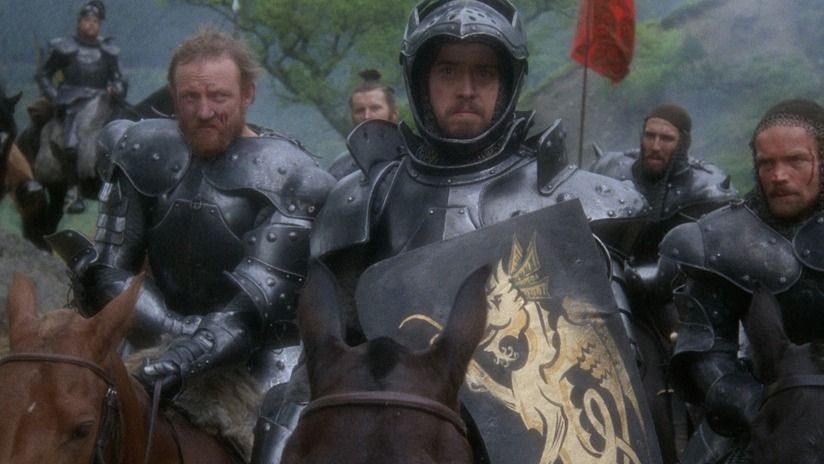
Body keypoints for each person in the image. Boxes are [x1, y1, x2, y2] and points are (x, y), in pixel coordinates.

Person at [253, 1, 660, 462]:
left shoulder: (567, 198)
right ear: (420, 79)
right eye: (448, 71)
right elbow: (319, 365)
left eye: (484, 73)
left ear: (508, 82)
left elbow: (611, 367)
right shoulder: (366, 199)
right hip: (393, 435)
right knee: (279, 408)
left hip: (531, 429)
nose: (466, 90)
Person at [47, 28, 335, 425]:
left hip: (260, 363)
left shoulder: (292, 177)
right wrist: (175, 333)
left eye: (219, 96)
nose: (204, 112)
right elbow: (110, 270)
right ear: (173, 95)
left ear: (247, 94)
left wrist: (183, 355)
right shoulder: (140, 149)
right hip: (148, 344)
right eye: (190, 97)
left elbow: (254, 310)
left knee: (280, 443)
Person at [659, 98, 824, 461]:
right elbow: (705, 353)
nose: (779, 175)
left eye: (796, 160)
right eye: (767, 163)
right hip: (763, 406)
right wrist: (759, 406)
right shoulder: (723, 240)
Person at [589, 104, 738, 462]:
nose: (655, 145)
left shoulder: (705, 187)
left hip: (672, 294)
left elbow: (708, 259)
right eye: (650, 135)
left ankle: (709, 439)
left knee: (698, 365)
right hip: (606, 282)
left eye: (666, 138)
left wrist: (652, 279)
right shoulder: (612, 169)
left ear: (683, 143)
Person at [35, 0, 126, 213]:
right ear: (79, 22)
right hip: (73, 102)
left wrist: (117, 88)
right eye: (87, 20)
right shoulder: (65, 48)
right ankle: (73, 189)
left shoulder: (108, 51)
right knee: (70, 143)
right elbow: (43, 74)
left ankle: (119, 186)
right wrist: (55, 97)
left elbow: (120, 78)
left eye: (96, 21)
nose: (91, 24)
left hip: (103, 102)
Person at [326, 69, 400, 180]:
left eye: (375, 108)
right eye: (359, 110)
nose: (367, 116)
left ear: (393, 113)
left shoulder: (414, 159)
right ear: (352, 115)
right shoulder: (340, 169)